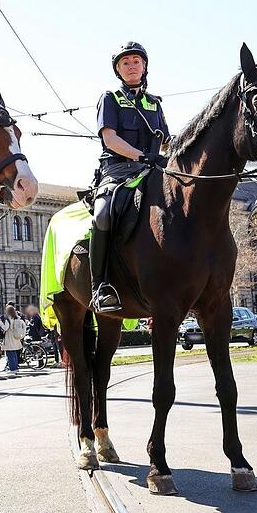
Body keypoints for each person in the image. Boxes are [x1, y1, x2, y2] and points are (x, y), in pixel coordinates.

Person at [90, 42, 170, 312]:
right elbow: (109, 138)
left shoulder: (154, 103)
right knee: (102, 214)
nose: (132, 65)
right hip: (118, 171)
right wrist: (140, 155)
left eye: (136, 61)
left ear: (144, 66)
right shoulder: (109, 98)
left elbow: (168, 141)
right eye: (126, 62)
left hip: (153, 171)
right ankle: (99, 286)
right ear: (118, 70)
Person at [1, 305, 26, 376]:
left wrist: (0, 322)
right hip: (15, 338)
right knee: (14, 353)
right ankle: (15, 367)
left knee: (9, 354)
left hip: (9, 338)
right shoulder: (17, 318)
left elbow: (5, 328)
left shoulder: (8, 319)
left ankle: (12, 369)